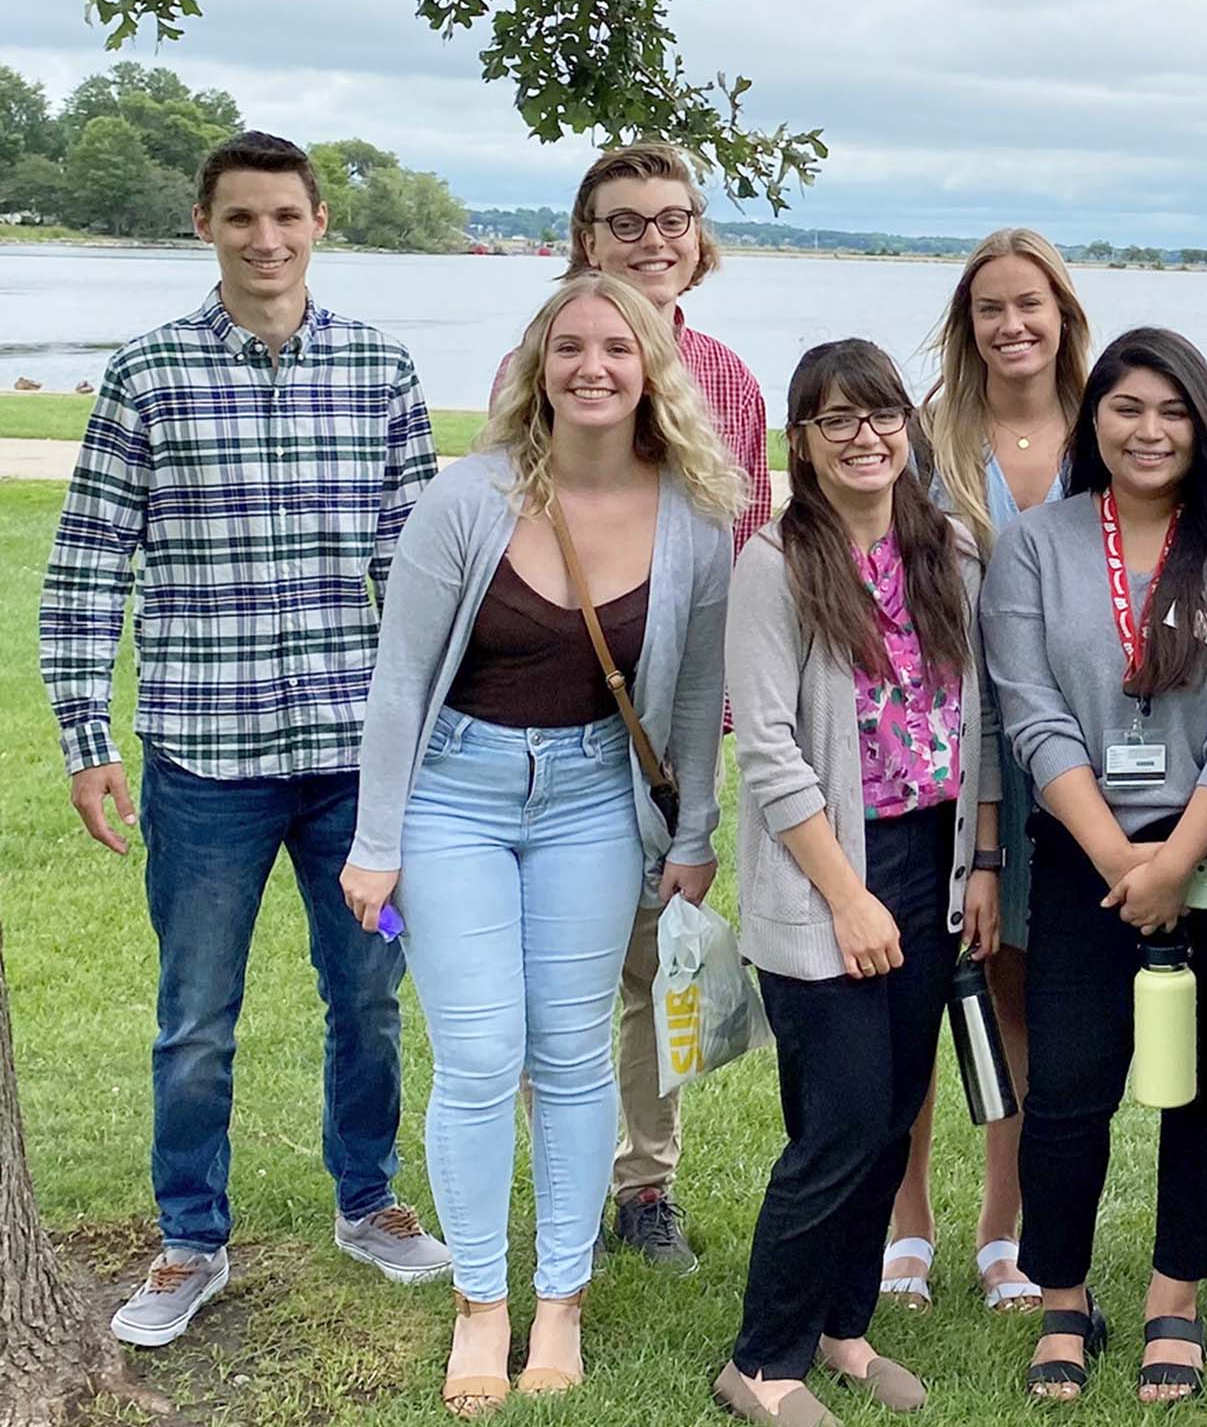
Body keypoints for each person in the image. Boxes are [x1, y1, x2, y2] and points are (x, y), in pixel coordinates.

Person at [39, 131, 450, 1351]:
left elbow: (418, 574)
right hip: (202, 762)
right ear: (205, 227)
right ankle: (189, 1241)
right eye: (240, 219)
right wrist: (83, 731)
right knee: (196, 1014)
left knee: (369, 995)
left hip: (352, 765)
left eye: (285, 216)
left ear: (320, 221)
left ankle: (368, 1203)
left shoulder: (380, 367)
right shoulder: (147, 374)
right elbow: (86, 565)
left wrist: (443, 735)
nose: (265, 240)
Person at [342, 271, 737, 1414]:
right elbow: (400, 681)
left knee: (570, 1056)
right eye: (570, 347)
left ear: (652, 368)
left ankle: (558, 1300)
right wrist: (377, 844)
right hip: (453, 798)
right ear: (537, 366)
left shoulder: (695, 522)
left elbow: (700, 694)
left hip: (591, 805)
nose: (593, 368)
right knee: (477, 1054)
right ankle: (483, 1304)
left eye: (618, 347)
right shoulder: (467, 498)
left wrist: (698, 835)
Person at [982, 327, 1207, 1403]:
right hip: (1081, 851)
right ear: (1096, 422)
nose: (1149, 430)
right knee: (1070, 1086)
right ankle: (1064, 1294)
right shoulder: (1036, 544)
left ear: (1202, 425)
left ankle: (1177, 1296)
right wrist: (1117, 856)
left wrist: (1177, 858)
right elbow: (1029, 710)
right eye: (1127, 408)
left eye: (1172, 411)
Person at [711, 339, 1002, 1425]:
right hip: (826, 874)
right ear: (803, 440)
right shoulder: (774, 565)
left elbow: (981, 725)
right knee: (835, 1124)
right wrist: (846, 897)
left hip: (933, 862)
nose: (864, 436)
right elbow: (772, 751)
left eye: (880, 415)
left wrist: (978, 861)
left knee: (891, 1119)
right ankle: (760, 1360)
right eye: (836, 420)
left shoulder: (952, 555)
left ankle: (842, 1328)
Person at [504, 143, 774, 1273]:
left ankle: (643, 1185)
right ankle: (566, 1173)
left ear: (699, 241)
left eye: (674, 221)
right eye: (626, 223)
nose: (654, 241)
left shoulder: (731, 382)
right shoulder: (556, 361)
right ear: (585, 240)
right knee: (554, 969)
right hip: (558, 721)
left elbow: (748, 565)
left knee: (651, 971)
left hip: (675, 734)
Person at [881, 227, 1094, 1316]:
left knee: (1019, 995)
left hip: (1067, 752)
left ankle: (999, 1233)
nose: (1013, 326)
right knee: (920, 988)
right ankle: (904, 1225)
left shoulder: (1105, 431)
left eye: (1031, 304)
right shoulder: (923, 440)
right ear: (967, 326)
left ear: (1063, 314)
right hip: (934, 753)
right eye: (989, 308)